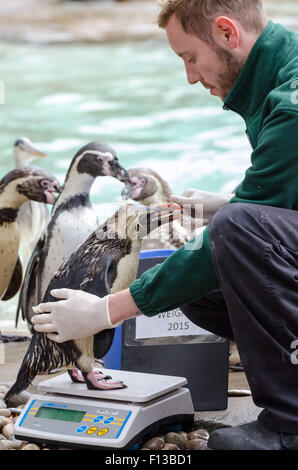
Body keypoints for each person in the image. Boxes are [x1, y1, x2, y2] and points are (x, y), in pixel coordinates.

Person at [31, 0, 298, 450]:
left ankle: (289, 424)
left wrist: (104, 311)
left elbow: (243, 230)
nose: (190, 77)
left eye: (190, 57)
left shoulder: (290, 107)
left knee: (233, 233)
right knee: (201, 285)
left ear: (227, 33)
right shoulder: (281, 76)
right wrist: (230, 203)